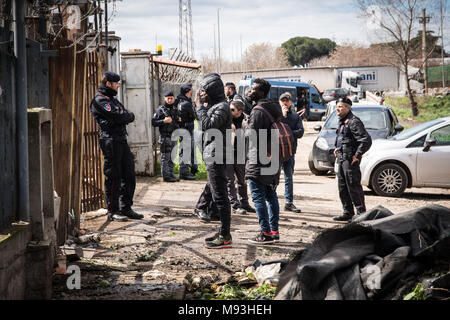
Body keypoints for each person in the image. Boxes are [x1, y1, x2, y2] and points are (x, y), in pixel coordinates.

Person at [90, 71, 143, 222]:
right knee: (114, 175)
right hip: (110, 140)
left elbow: (125, 115)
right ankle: (113, 210)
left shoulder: (112, 100)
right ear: (108, 83)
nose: (118, 85)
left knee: (129, 173)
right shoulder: (100, 100)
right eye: (116, 83)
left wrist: (122, 117)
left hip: (120, 139)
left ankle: (126, 207)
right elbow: (118, 116)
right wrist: (122, 117)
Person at [196, 73, 233, 249]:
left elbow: (207, 125)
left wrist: (199, 107)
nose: (201, 94)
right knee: (218, 195)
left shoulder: (223, 107)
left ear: (212, 91)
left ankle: (225, 236)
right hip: (213, 153)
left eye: (204, 91)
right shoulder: (214, 105)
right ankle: (222, 231)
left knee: (221, 197)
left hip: (218, 155)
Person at [245, 78, 282, 244]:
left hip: (258, 158)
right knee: (270, 194)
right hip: (273, 156)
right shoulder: (275, 107)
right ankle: (274, 230)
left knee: (258, 196)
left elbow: (251, 136)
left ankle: (265, 233)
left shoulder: (258, 110)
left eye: (253, 89)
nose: (249, 91)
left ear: (260, 92)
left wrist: (246, 125)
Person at [333, 97, 372, 222]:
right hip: (341, 158)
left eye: (340, 106)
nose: (337, 109)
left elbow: (366, 140)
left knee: (353, 186)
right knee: (342, 187)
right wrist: (337, 148)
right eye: (337, 106)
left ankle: (361, 214)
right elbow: (342, 138)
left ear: (348, 108)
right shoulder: (342, 120)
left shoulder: (354, 121)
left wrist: (357, 155)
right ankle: (348, 212)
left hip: (350, 160)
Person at [227, 100, 255, 214]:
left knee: (242, 180)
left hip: (241, 153)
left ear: (240, 111)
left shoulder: (247, 119)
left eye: (232, 109)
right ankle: (235, 205)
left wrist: (245, 127)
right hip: (228, 153)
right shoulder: (226, 118)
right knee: (230, 181)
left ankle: (244, 203)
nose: (230, 111)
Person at [279, 92, 304, 213]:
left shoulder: (295, 117)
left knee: (289, 178)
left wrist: (287, 134)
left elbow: (300, 132)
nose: (284, 102)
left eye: (287, 100)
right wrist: (282, 116)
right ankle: (270, 200)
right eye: (282, 100)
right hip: (276, 152)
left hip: (289, 152)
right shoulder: (275, 116)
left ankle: (289, 202)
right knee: (273, 178)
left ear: (290, 102)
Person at [152, 91, 181, 182]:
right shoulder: (160, 110)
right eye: (168, 98)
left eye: (171, 98)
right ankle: (166, 176)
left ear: (173, 98)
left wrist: (178, 120)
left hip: (174, 136)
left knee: (172, 157)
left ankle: (171, 174)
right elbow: (153, 122)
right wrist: (163, 121)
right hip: (165, 136)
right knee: (165, 157)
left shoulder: (175, 109)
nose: (169, 100)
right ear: (164, 98)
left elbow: (177, 121)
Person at [177, 83, 197, 180]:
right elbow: (194, 115)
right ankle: (184, 173)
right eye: (190, 91)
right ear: (187, 92)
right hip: (186, 129)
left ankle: (186, 171)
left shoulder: (179, 101)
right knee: (185, 151)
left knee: (185, 150)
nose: (192, 92)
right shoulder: (185, 103)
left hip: (183, 128)